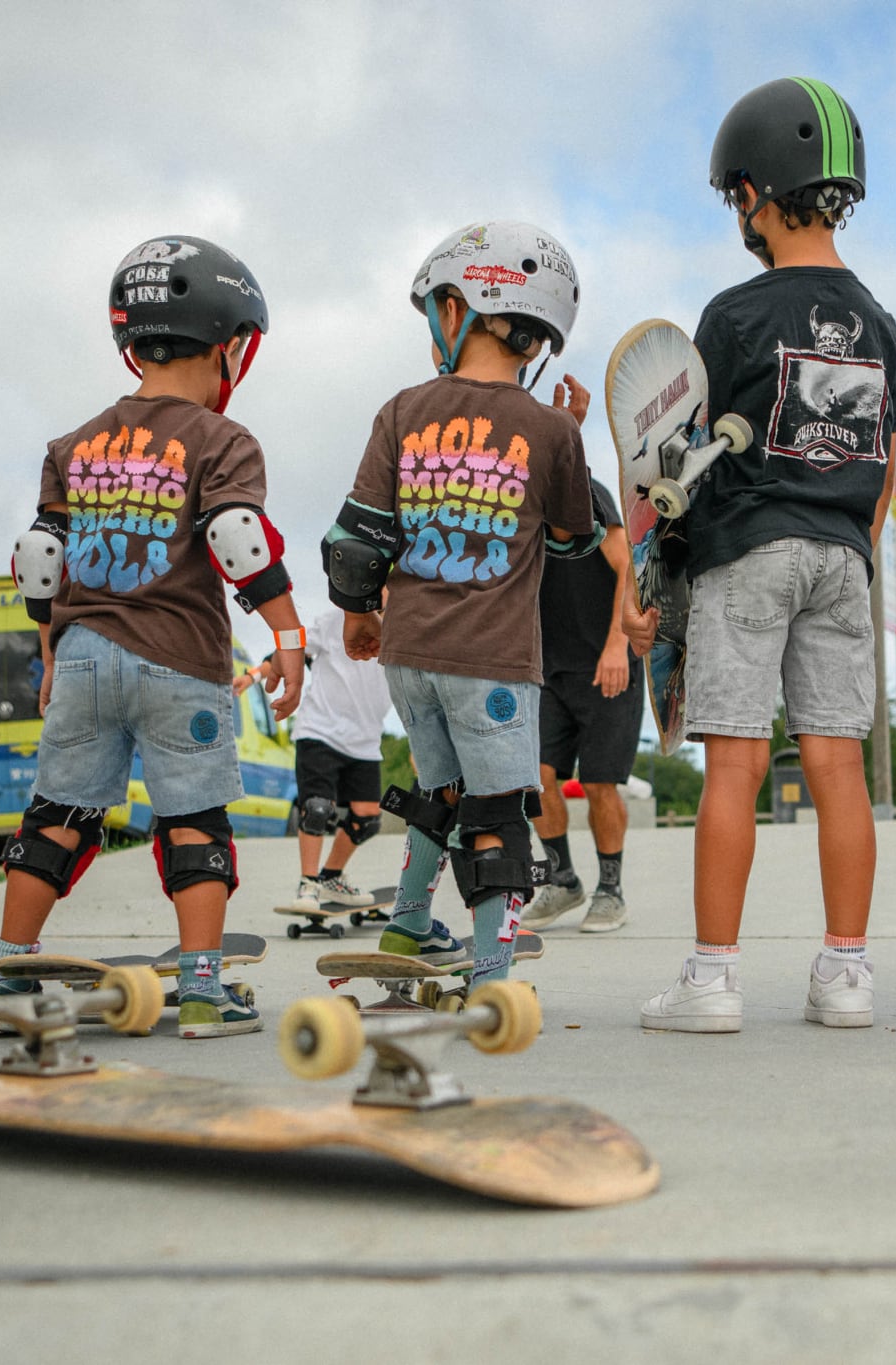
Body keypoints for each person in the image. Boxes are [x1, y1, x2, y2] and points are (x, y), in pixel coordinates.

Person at [637, 77, 896, 1033]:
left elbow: (682, 453)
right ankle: (846, 974)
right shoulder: (880, 324)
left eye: (734, 198)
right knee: (840, 767)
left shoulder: (735, 316)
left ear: (755, 191)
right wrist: (853, 551)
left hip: (749, 552)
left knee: (735, 768)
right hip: (844, 556)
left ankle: (712, 982)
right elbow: (885, 471)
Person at [0, 235, 303, 1038]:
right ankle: (202, 988)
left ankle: (6, 972)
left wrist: (53, 649)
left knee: (57, 812)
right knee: (194, 818)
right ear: (229, 344)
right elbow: (236, 533)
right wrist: (287, 631)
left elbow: (40, 558)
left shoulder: (73, 445)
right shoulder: (221, 439)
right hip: (180, 660)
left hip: (87, 650)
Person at [326, 220, 597, 991]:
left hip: (410, 655)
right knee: (498, 816)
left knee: (438, 790)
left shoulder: (403, 409)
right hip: (496, 664)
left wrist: (360, 614)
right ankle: (490, 976)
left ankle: (409, 922)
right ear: (538, 336)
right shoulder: (550, 429)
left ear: (457, 310)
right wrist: (569, 442)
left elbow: (356, 540)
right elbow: (577, 540)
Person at [523, 476, 644, 934]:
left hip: (606, 666)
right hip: (550, 669)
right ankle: (562, 880)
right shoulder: (520, 498)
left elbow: (628, 568)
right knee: (535, 777)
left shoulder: (586, 494)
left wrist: (618, 646)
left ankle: (610, 890)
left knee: (598, 783)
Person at [239, 600, 391, 912]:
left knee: (368, 819)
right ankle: (308, 884)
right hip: (321, 730)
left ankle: (331, 877)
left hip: (364, 740)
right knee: (318, 808)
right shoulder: (338, 618)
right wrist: (254, 675)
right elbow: (292, 648)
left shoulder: (406, 628)